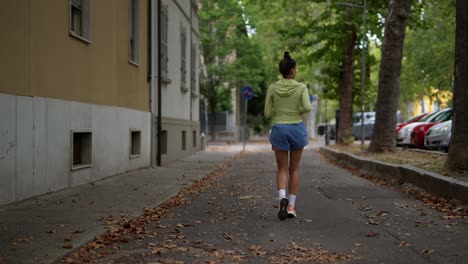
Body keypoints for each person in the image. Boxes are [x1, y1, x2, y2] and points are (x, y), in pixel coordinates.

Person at [264, 51, 311, 220]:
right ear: (292, 71)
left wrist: (279, 111)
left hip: (279, 128)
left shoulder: (273, 88)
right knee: (294, 168)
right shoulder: (301, 87)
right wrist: (294, 110)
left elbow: (267, 113)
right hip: (296, 127)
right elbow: (307, 107)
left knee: (282, 168)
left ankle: (281, 197)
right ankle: (291, 206)